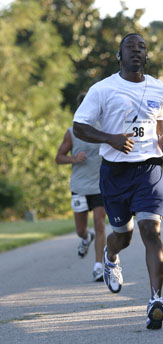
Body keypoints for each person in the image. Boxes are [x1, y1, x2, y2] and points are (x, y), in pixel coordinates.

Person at [73, 33, 163, 330]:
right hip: (115, 173)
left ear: (146, 56)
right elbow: (80, 127)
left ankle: (156, 300)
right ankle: (110, 254)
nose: (136, 51)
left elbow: (160, 127)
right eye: (130, 47)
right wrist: (110, 139)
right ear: (119, 55)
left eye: (141, 47)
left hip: (149, 171)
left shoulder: (159, 88)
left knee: (150, 231)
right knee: (124, 235)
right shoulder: (102, 89)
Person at [55, 93, 106, 282]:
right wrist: (73, 158)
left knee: (100, 223)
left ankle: (99, 266)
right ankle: (86, 238)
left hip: (100, 186)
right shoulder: (72, 131)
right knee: (80, 229)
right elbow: (58, 157)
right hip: (79, 186)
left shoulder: (105, 129)